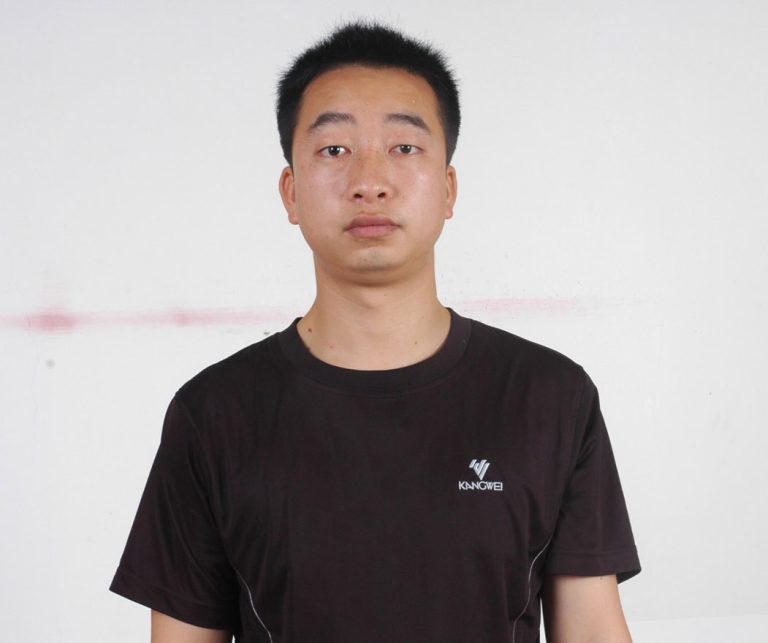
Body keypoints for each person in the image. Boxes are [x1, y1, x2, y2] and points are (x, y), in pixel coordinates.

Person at [110, 21, 640, 643]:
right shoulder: (213, 415)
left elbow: (592, 630)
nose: (369, 181)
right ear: (291, 193)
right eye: (334, 150)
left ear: (448, 189)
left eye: (404, 147)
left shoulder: (550, 396)